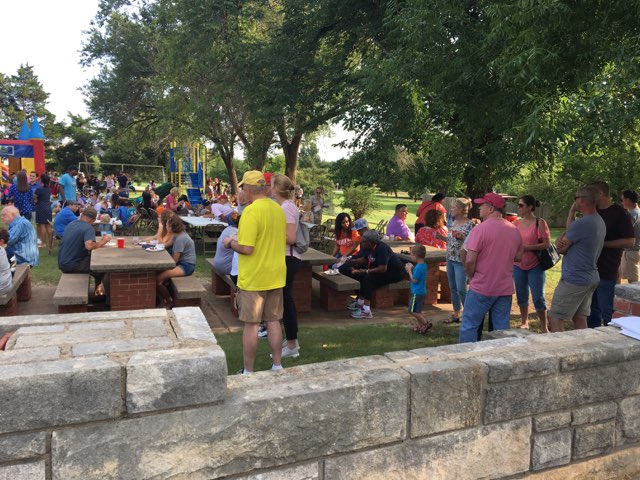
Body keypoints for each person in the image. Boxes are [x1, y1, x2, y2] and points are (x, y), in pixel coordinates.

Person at [222, 170, 286, 374]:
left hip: (255, 278)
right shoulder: (278, 209)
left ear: (248, 189)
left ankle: (248, 371)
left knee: (251, 325)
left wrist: (230, 242)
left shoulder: (250, 212)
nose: (242, 191)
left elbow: (247, 248)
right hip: (276, 275)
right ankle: (277, 365)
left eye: (243, 188)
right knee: (274, 321)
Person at [458, 193, 523, 343]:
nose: (479, 207)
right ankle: (500, 360)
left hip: (482, 286)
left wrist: (471, 276)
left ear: (491, 209)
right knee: (501, 331)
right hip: (504, 288)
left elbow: (469, 260)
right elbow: (519, 257)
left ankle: (466, 359)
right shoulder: (514, 230)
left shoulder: (480, 230)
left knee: (469, 326)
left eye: (482, 205)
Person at [549, 187, 606, 332]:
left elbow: (560, 248)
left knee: (555, 316)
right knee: (580, 317)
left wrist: (562, 239)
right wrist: (572, 213)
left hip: (574, 279)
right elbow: (570, 233)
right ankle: (584, 348)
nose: (574, 202)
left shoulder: (583, 223)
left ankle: (560, 353)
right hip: (590, 277)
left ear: (581, 200)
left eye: (575, 198)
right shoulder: (598, 220)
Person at [586, 181, 635, 328]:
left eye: (591, 193)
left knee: (607, 310)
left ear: (600, 194)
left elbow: (630, 241)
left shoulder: (619, 213)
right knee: (589, 311)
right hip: (588, 270)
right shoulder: (592, 211)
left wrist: (604, 244)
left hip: (607, 270)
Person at [272, 174, 303, 359]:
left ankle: (292, 344)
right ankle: (291, 341)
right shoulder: (286, 206)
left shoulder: (286, 208)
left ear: (276, 188)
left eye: (270, 185)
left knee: (286, 300)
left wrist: (269, 234)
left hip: (288, 258)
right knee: (285, 300)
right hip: (287, 258)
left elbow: (290, 238)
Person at [513, 195, 551, 332]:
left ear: (530, 207)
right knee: (521, 295)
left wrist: (527, 248)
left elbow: (546, 244)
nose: (518, 207)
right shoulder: (516, 223)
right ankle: (525, 322)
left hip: (535, 265)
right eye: (518, 205)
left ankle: (544, 327)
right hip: (518, 265)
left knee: (538, 297)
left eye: (521, 205)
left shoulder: (539, 222)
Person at [348, 229, 406, 319]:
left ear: (370, 242)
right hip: (384, 271)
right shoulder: (369, 248)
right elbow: (366, 259)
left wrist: (366, 271)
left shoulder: (382, 248)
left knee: (368, 279)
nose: (361, 243)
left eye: (363, 242)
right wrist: (352, 261)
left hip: (395, 273)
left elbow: (382, 268)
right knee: (360, 275)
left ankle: (366, 311)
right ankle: (360, 303)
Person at [58, 206, 111, 294]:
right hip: (73, 264)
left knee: (95, 263)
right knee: (103, 269)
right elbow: (89, 246)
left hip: (63, 262)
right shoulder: (88, 228)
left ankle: (98, 293)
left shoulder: (72, 224)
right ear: (92, 219)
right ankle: (102, 296)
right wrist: (103, 241)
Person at [442, 198, 475, 323]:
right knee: (453, 288)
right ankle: (456, 314)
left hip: (460, 261)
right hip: (450, 258)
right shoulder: (454, 222)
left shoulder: (470, 224)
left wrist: (463, 237)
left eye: (454, 208)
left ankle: (469, 314)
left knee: (461, 288)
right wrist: (442, 237)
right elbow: (451, 241)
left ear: (461, 210)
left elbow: (473, 243)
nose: (451, 210)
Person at [156, 215, 196, 307]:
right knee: (156, 272)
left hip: (186, 266)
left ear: (172, 227)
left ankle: (169, 300)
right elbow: (164, 245)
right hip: (180, 263)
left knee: (158, 279)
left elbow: (174, 261)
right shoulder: (176, 236)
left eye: (167, 225)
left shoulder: (181, 239)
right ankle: (165, 298)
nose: (166, 227)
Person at [405, 244, 431, 334]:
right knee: (418, 311)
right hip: (422, 292)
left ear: (415, 256)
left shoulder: (418, 267)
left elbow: (414, 280)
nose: (411, 256)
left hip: (417, 292)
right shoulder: (423, 265)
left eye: (411, 254)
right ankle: (421, 326)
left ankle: (426, 323)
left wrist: (409, 270)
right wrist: (412, 269)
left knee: (411, 310)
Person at [620, 189, 640, 283]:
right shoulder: (638, 212)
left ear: (628, 200)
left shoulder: (631, 215)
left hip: (631, 251)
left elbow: (625, 232)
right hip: (634, 250)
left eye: (622, 199)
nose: (622, 202)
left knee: (633, 282)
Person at [34, 173, 53, 247]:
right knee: (48, 225)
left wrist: (35, 200)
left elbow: (34, 197)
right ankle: (51, 242)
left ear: (41, 180)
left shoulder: (39, 189)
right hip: (48, 207)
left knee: (42, 225)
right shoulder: (49, 189)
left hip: (40, 207)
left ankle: (43, 242)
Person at [0, 229, 13, 295]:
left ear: (1, 241)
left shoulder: (9, 252)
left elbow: (13, 268)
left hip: (3, 285)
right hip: (7, 280)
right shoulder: (5, 249)